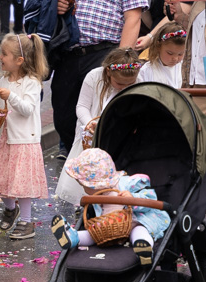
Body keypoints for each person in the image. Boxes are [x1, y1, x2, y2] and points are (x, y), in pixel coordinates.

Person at [50, 0, 147, 155]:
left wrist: (120, 60)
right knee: (63, 114)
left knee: (99, 115)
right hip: (68, 52)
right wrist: (57, 4)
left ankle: (98, 162)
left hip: (104, 52)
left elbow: (133, 17)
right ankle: (76, 154)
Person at [0, 33, 50, 241]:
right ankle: (10, 209)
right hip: (6, 139)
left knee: (22, 185)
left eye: (4, 54)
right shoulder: (3, 80)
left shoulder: (31, 83)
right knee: (2, 180)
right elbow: (2, 107)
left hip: (24, 140)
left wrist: (11, 96)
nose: (0, 57)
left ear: (19, 60)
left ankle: (26, 221)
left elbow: (26, 109)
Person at [52, 147, 170, 265]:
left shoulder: (128, 183)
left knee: (140, 231)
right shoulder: (98, 196)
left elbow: (150, 199)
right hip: (109, 228)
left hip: (136, 221)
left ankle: (144, 248)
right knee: (94, 233)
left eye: (84, 185)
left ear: (96, 185)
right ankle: (73, 237)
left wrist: (132, 198)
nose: (83, 188)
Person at [55, 48, 142, 206]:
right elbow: (81, 106)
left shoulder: (138, 81)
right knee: (89, 172)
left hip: (117, 134)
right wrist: (89, 122)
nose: (123, 87)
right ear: (109, 72)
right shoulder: (94, 77)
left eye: (129, 84)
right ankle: (83, 205)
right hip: (90, 135)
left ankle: (108, 203)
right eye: (119, 83)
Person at [137, 23, 187, 89]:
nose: (175, 58)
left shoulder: (185, 70)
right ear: (158, 46)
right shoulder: (145, 72)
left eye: (180, 54)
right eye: (170, 53)